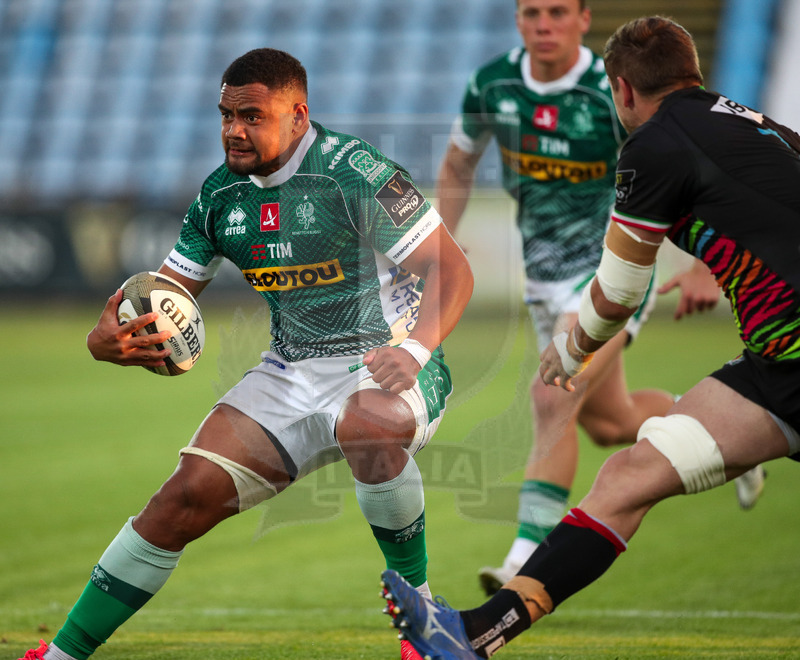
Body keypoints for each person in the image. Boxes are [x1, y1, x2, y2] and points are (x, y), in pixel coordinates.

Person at [19, 48, 473, 660]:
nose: (234, 129)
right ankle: (59, 656)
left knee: (366, 425)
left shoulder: (355, 171)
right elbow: (164, 301)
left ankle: (424, 624)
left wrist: (417, 349)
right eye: (226, 114)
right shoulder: (218, 197)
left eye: (252, 115)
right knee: (181, 498)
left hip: (385, 361)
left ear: (297, 114)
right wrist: (113, 338)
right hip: (289, 373)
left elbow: (451, 267)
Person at [379, 15, 800, 659]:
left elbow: (619, 292)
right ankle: (470, 638)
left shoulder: (654, 144)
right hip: (778, 367)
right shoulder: (755, 122)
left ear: (622, 90)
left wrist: (571, 348)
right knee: (627, 469)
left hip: (783, 354)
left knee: (558, 400)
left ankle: (517, 554)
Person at [436, 0, 752, 595]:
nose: (543, 24)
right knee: (612, 422)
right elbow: (456, 163)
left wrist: (711, 263)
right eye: (531, 12)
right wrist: (443, 244)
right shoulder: (492, 84)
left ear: (584, 19)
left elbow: (690, 164)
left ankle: (524, 559)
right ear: (518, 21)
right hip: (544, 279)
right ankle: (726, 430)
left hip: (613, 272)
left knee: (551, 392)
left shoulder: (612, 91)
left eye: (557, 11)